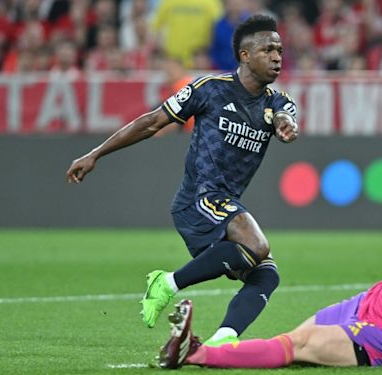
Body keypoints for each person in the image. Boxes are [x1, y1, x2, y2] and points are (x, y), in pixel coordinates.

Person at [66, 15, 299, 346]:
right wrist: (96, 153)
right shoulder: (210, 89)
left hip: (222, 206)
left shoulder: (276, 100)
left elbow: (285, 116)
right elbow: (151, 122)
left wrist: (286, 125)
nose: (277, 56)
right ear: (245, 55)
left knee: (266, 276)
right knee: (257, 246)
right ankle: (167, 283)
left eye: (279, 49)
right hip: (199, 199)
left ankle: (221, 342)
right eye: (268, 49)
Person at [159, 157, 382, 375]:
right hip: (367, 304)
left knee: (297, 348)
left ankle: (196, 353)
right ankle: (203, 351)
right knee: (294, 340)